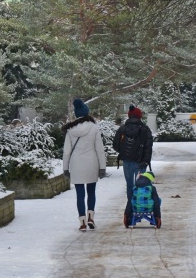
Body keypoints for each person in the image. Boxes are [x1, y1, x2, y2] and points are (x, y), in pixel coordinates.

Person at [62, 98, 107, 231]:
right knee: (91, 192)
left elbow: (66, 152)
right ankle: (91, 217)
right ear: (87, 113)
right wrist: (102, 167)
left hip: (76, 164)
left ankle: (82, 222)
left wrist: (65, 168)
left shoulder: (70, 130)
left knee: (80, 194)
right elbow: (99, 149)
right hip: (91, 163)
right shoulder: (94, 128)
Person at [112, 105, 153, 205]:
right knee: (141, 185)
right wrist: (146, 160)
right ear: (139, 116)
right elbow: (148, 147)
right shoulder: (145, 129)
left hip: (127, 161)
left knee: (129, 185)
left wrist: (123, 152)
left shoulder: (122, 129)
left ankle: (130, 207)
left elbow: (115, 145)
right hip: (141, 162)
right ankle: (139, 205)